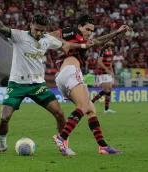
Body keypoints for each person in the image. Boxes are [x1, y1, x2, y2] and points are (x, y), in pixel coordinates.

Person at [0, 6, 91, 155]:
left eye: (42, 30)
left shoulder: (47, 39)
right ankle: (1, 145)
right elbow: (2, 28)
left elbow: (66, 45)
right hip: (17, 85)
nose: (39, 33)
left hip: (37, 86)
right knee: (4, 118)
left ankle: (64, 146)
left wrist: (84, 45)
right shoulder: (19, 35)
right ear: (31, 25)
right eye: (37, 29)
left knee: (59, 114)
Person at [50, 14, 129, 155]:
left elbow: (97, 41)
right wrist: (66, 44)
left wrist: (117, 32)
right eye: (87, 29)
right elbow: (50, 35)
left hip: (64, 76)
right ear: (79, 26)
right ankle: (62, 137)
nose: (89, 32)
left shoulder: (83, 40)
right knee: (84, 106)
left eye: (91, 31)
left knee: (91, 109)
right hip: (71, 71)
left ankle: (103, 146)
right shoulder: (73, 32)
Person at [92, 41, 116, 113]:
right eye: (109, 41)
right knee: (106, 90)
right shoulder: (102, 51)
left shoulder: (110, 51)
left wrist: (112, 71)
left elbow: (110, 62)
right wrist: (106, 69)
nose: (111, 43)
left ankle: (106, 109)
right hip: (103, 72)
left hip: (108, 72)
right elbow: (99, 62)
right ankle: (91, 102)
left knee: (109, 90)